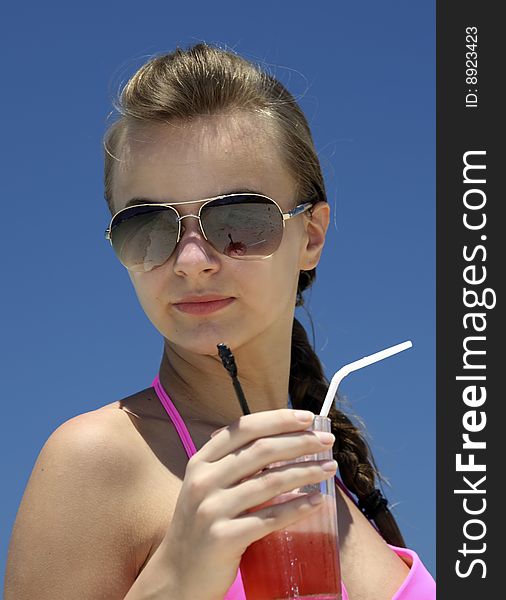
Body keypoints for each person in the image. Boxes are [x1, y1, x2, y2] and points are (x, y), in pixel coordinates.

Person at [4, 43, 435, 599]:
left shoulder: (338, 480)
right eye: (148, 226)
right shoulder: (97, 462)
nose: (191, 260)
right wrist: (175, 579)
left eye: (237, 220)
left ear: (312, 236)